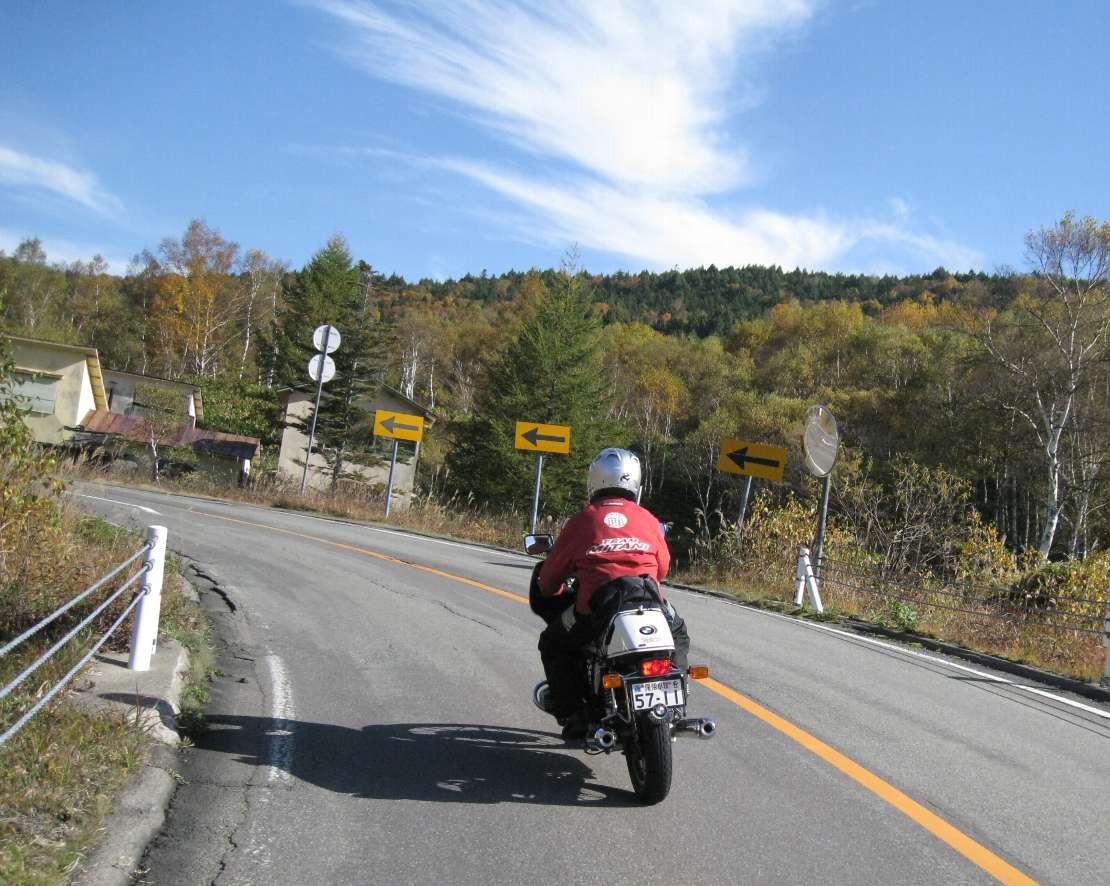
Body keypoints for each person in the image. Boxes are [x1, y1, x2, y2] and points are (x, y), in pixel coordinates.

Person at [534, 447, 690, 739]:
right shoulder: (649, 520)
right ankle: (676, 696)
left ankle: (574, 712)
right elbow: (663, 569)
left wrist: (553, 588)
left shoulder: (583, 521)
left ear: (594, 481)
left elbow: (550, 578)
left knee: (553, 642)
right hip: (648, 601)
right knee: (678, 631)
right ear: (635, 483)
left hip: (597, 609)